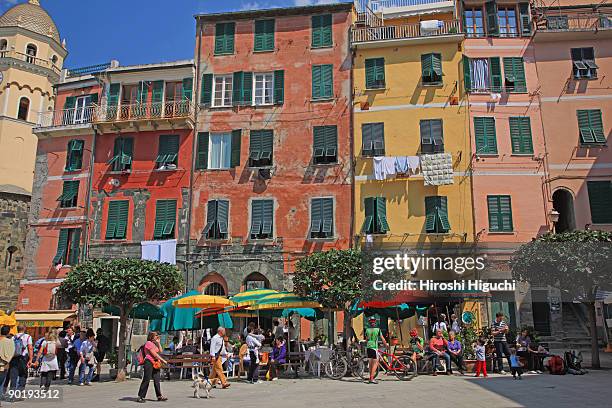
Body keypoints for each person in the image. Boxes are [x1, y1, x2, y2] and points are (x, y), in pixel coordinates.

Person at [137, 332, 168, 403]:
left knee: (157, 380)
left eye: (157, 335)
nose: (157, 336)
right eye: (156, 335)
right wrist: (163, 360)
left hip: (156, 363)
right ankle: (140, 396)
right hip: (149, 362)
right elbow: (154, 354)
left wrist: (158, 343)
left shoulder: (155, 344)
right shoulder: (148, 343)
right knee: (146, 379)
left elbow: (160, 351)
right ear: (151, 336)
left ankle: (159, 396)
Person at [8, 325, 33, 393]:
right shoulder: (28, 337)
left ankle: (12, 393)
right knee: (23, 374)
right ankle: (19, 392)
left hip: (14, 358)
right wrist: (31, 359)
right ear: (24, 329)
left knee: (14, 376)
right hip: (23, 358)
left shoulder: (13, 337)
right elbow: (30, 348)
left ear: (17, 329)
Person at [364, 317, 387, 384]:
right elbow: (382, 339)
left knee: (370, 363)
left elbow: (367, 339)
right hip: (374, 347)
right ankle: (371, 378)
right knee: (376, 363)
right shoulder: (378, 330)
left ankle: (370, 377)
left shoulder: (367, 330)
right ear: (375, 323)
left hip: (368, 347)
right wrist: (386, 345)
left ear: (369, 323)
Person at [0, 326, 15, 398]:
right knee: (1, 384)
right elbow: (12, 354)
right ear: (8, 332)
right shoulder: (10, 342)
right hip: (4, 366)